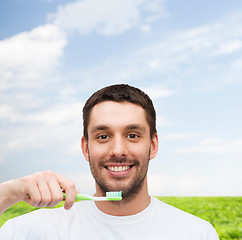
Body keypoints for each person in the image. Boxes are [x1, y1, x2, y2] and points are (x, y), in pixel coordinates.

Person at [0, 84, 219, 239]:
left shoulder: (196, 233)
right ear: (86, 148)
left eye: (132, 135)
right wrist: (9, 193)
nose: (118, 151)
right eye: (103, 136)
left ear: (153, 145)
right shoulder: (33, 230)